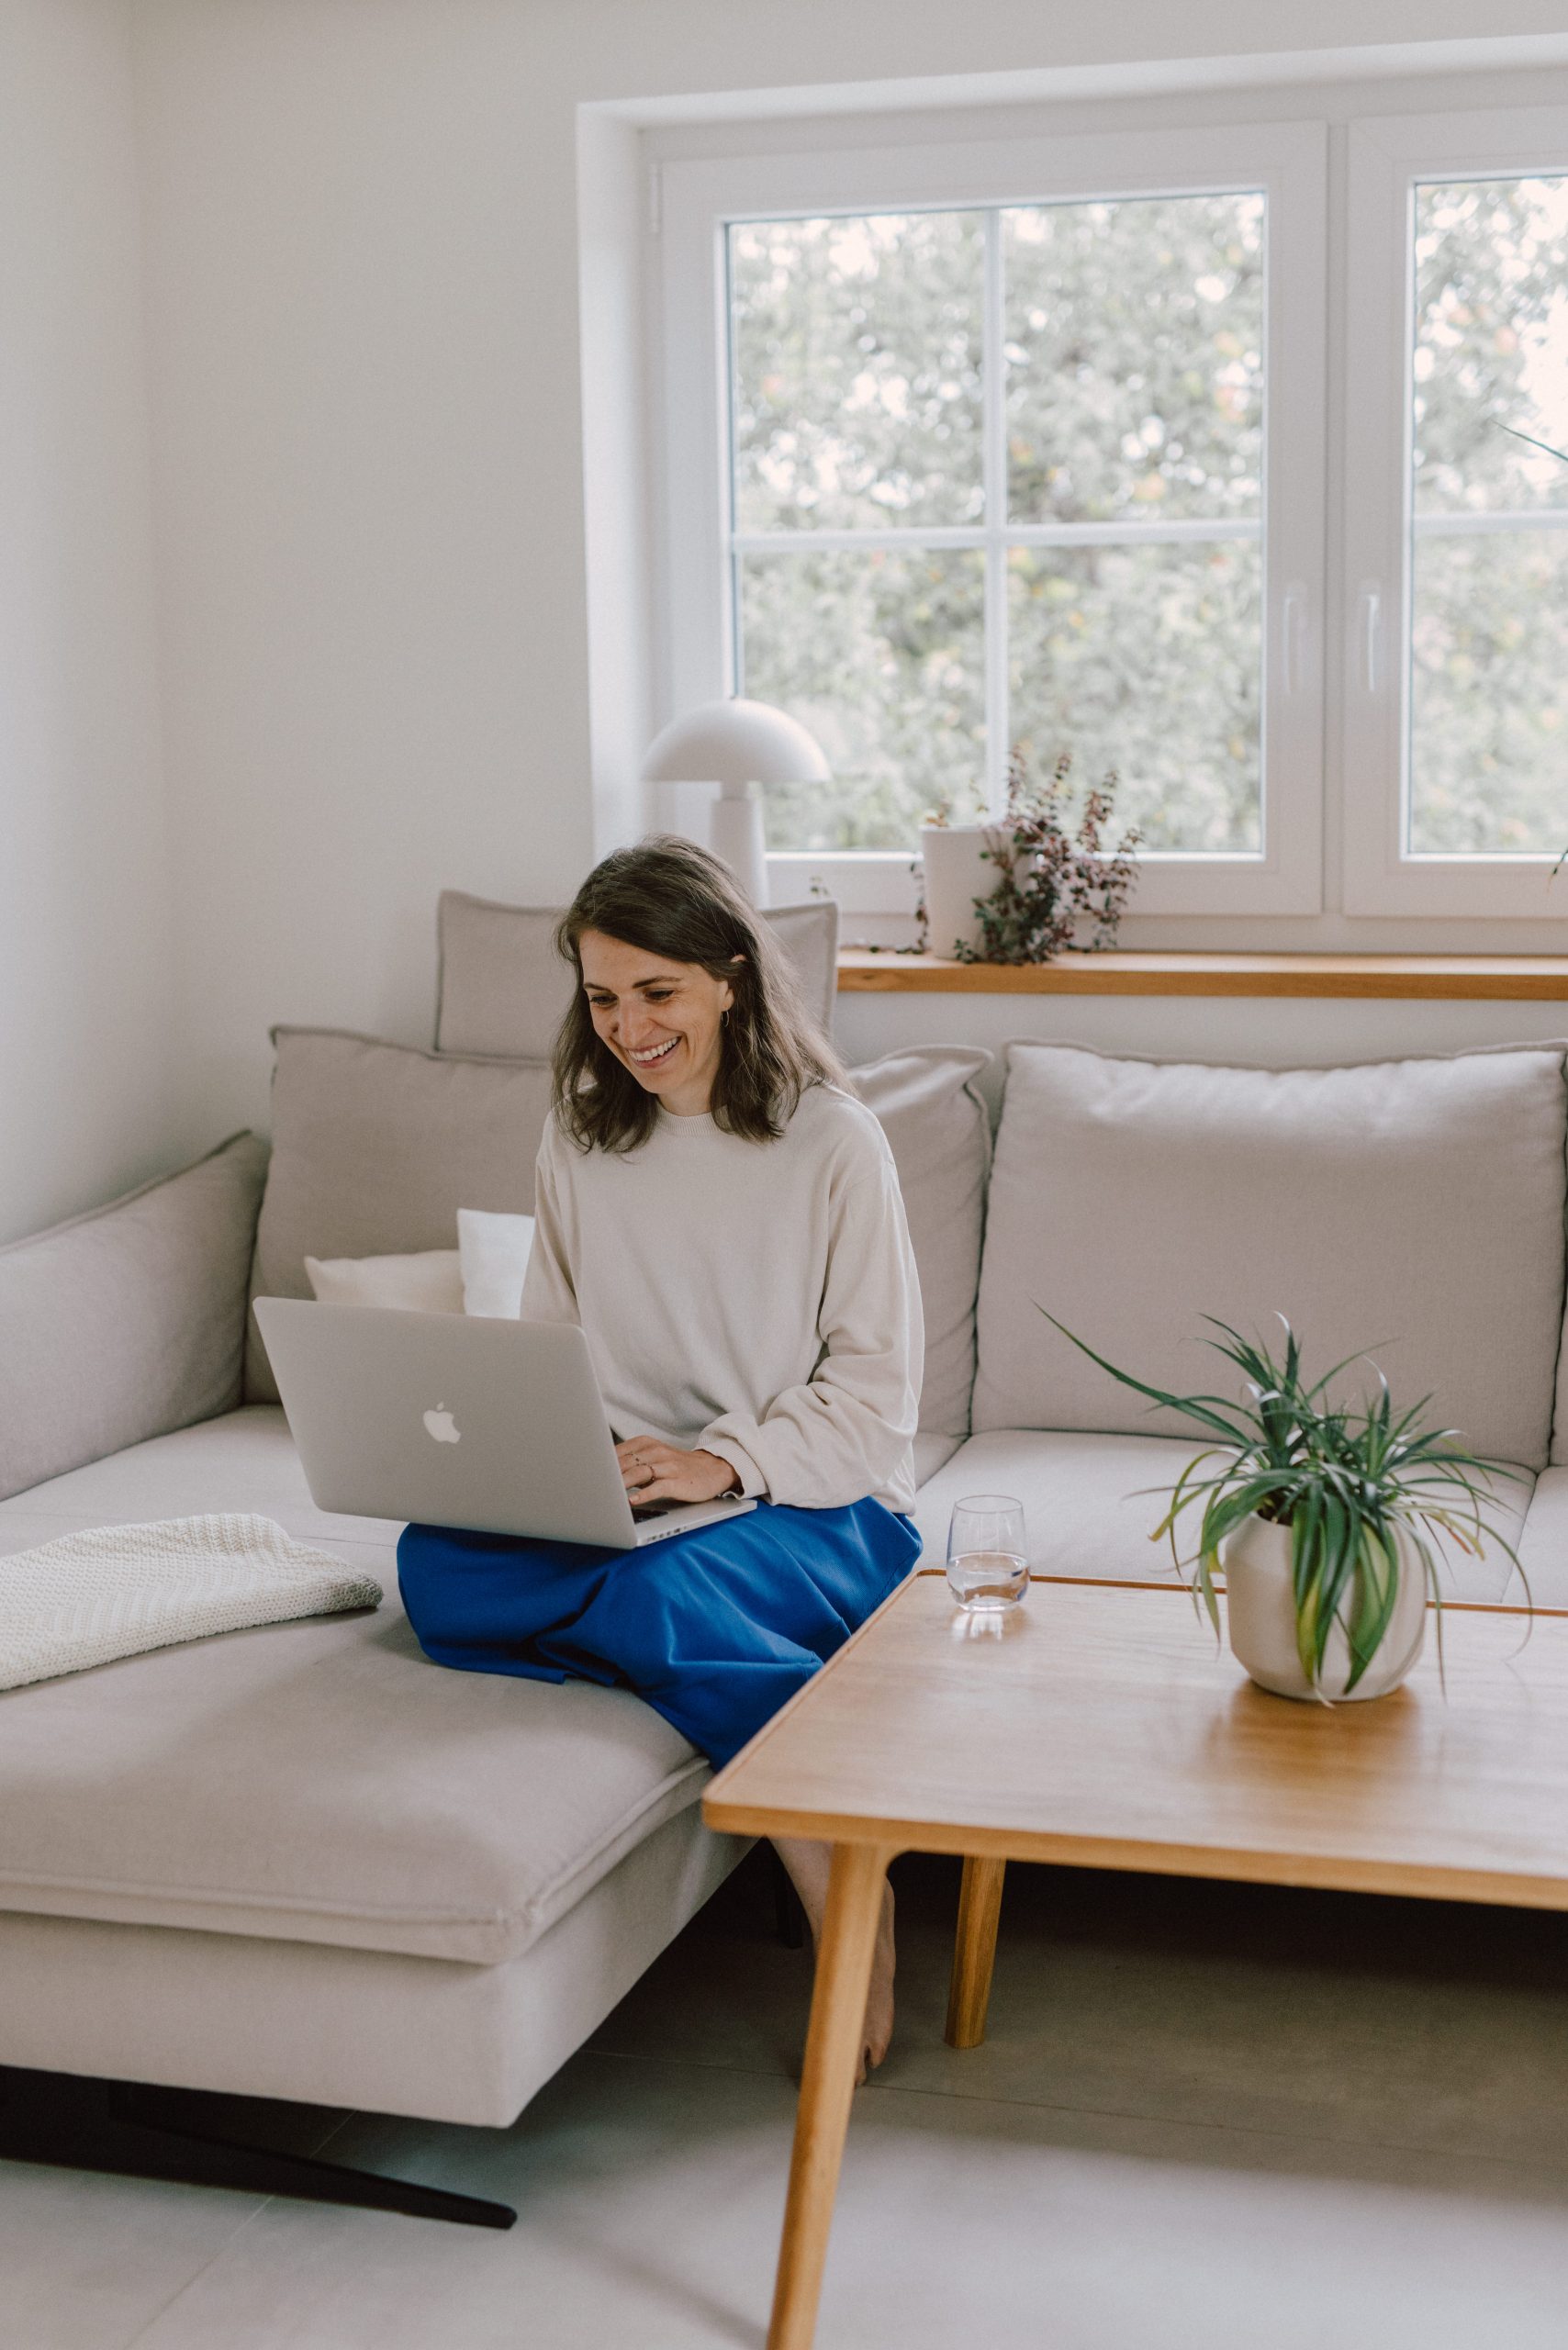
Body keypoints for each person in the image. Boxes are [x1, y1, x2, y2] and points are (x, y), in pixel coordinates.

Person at [397, 837, 924, 2072]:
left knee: (649, 1588)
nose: (628, 1027)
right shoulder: (582, 1138)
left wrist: (724, 1463)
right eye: (601, 998)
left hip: (818, 1503)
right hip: (632, 1494)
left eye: (657, 992)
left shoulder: (833, 1143)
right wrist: (537, 1462)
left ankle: (851, 1885)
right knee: (434, 1563)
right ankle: (646, 1620)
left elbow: (878, 1398)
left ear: (732, 977)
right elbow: (546, 1351)